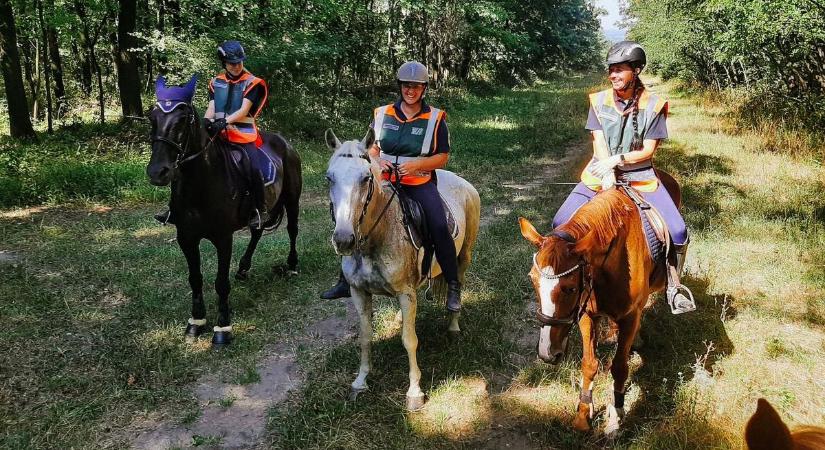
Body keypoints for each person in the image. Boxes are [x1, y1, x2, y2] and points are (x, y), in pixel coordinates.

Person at [551, 41, 696, 314]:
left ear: (636, 70)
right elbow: (599, 140)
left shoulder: (654, 105)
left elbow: (648, 150)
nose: (613, 75)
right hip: (599, 175)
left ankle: (673, 285)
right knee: (560, 223)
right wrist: (607, 171)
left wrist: (617, 162)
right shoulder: (598, 100)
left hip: (640, 177)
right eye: (611, 70)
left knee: (678, 231)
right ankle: (567, 279)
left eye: (619, 70)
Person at [321, 61, 463, 312]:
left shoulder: (435, 118)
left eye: (416, 87)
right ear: (400, 86)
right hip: (384, 181)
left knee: (439, 226)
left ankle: (452, 283)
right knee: (352, 214)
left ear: (424, 88)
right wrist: (378, 160)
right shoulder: (382, 113)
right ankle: (345, 280)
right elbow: (373, 148)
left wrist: (418, 164)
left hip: (418, 182)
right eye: (407, 86)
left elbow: (442, 157)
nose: (411, 91)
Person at [155, 40, 270, 229]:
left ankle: (259, 209)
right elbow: (212, 107)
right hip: (217, 132)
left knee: (254, 166)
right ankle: (174, 209)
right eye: (232, 63)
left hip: (242, 134)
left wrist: (225, 121)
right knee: (185, 163)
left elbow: (244, 110)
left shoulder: (254, 83)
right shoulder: (216, 82)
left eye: (239, 62)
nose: (237, 66)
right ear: (223, 63)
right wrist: (207, 121)